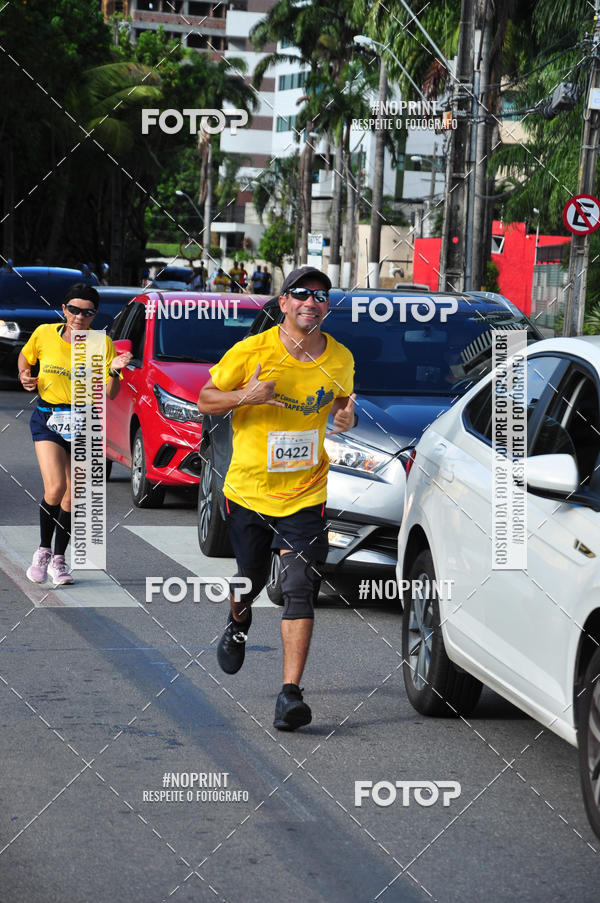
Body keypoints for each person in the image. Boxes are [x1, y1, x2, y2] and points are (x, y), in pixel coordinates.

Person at [197, 266, 356, 731]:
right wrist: (246, 395)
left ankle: (290, 695)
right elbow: (206, 399)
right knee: (248, 577)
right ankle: (238, 625)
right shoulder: (252, 351)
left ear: (327, 306)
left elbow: (344, 402)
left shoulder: (341, 357)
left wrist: (348, 415)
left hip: (306, 494)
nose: (312, 301)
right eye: (302, 294)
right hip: (248, 490)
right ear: (283, 302)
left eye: (321, 296)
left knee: (299, 585)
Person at [18, 284, 132, 587]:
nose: (79, 317)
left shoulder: (101, 343)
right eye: (74, 309)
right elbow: (25, 357)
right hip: (48, 418)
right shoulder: (43, 333)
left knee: (74, 496)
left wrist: (116, 370)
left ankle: (58, 559)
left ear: (95, 314)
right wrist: (24, 374)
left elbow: (110, 392)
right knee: (55, 488)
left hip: (84, 422)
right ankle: (41, 551)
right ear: (63, 308)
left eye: (87, 312)